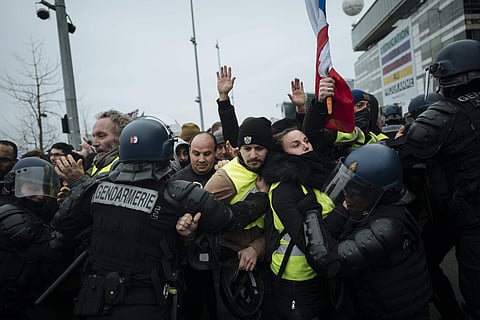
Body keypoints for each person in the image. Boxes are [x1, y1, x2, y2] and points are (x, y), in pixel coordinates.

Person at [50, 116, 269, 320]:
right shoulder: (179, 192)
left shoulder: (95, 185)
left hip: (96, 299)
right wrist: (260, 197)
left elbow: (61, 223)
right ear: (166, 149)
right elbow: (229, 220)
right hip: (147, 301)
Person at [391, 39, 480, 319]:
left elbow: (400, 155)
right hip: (457, 213)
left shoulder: (446, 114)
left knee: (475, 292)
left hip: (469, 218)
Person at [302, 143, 432, 319]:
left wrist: (310, 214)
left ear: (381, 192)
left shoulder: (387, 226)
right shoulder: (367, 205)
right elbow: (331, 228)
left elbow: (328, 262)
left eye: (356, 190)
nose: (347, 194)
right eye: (346, 185)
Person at [261, 127, 336, 319]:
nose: (305, 146)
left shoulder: (314, 174)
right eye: (296, 145)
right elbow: (306, 240)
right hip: (296, 279)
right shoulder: (284, 190)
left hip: (322, 271)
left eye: (306, 140)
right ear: (282, 154)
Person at [203, 116, 272, 320]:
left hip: (266, 263)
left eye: (259, 148)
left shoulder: (273, 172)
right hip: (232, 271)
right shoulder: (225, 178)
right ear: (238, 149)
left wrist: (256, 248)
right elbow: (203, 219)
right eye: (246, 149)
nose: (252, 155)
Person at [0, 157, 69, 319]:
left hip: (31, 296)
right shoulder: (9, 213)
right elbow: (51, 248)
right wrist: (73, 208)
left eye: (43, 188)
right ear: (13, 186)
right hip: (12, 302)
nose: (39, 194)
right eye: (31, 187)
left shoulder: (40, 209)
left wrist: (66, 202)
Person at [170, 131, 218, 320]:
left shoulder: (225, 176)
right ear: (189, 152)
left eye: (207, 154)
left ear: (216, 153)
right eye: (196, 153)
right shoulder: (175, 181)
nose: (201, 159)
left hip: (221, 260)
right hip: (188, 264)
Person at [302, 83, 388, 160]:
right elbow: (313, 134)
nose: (366, 109)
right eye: (360, 105)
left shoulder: (376, 137)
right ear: (348, 110)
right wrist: (319, 104)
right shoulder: (337, 132)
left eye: (368, 106)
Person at [54, 109, 132, 189]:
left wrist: (78, 182)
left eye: (101, 136)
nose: (95, 144)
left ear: (122, 137)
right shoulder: (96, 164)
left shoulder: (129, 167)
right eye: (94, 136)